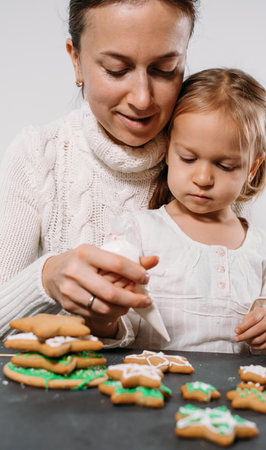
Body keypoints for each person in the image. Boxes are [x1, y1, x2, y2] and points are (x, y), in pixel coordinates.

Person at [0, 0, 202, 340]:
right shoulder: (38, 154)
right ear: (76, 60)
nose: (141, 98)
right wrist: (46, 279)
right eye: (116, 69)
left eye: (165, 69)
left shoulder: (213, 158)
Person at [107, 68, 266, 355]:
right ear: (168, 150)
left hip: (234, 395)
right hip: (155, 391)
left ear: (252, 168)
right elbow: (117, 329)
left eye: (225, 166)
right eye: (188, 158)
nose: (203, 178)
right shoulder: (139, 231)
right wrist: (106, 315)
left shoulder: (261, 247)